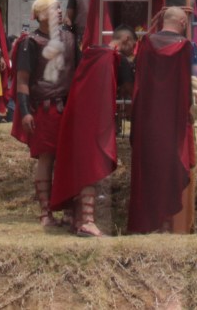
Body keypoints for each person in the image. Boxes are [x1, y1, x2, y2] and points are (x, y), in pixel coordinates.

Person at [50, 25, 134, 237]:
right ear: (125, 40)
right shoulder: (117, 58)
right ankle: (87, 221)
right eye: (132, 44)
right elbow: (130, 91)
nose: (133, 50)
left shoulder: (91, 54)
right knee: (92, 169)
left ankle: (76, 219)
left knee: (80, 166)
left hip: (75, 117)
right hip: (95, 121)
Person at [128, 6, 195, 234]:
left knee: (148, 167)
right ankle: (165, 224)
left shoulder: (146, 43)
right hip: (172, 118)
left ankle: (149, 223)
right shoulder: (184, 47)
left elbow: (138, 81)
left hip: (147, 117)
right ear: (183, 24)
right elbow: (185, 85)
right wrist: (189, 112)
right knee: (169, 166)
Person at [12, 0, 77, 228]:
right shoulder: (30, 42)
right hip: (45, 108)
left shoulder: (70, 38)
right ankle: (45, 212)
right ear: (39, 16)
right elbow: (22, 80)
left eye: (60, 8)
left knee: (68, 160)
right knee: (46, 159)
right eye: (53, 9)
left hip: (68, 106)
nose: (59, 12)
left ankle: (70, 211)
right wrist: (26, 111)